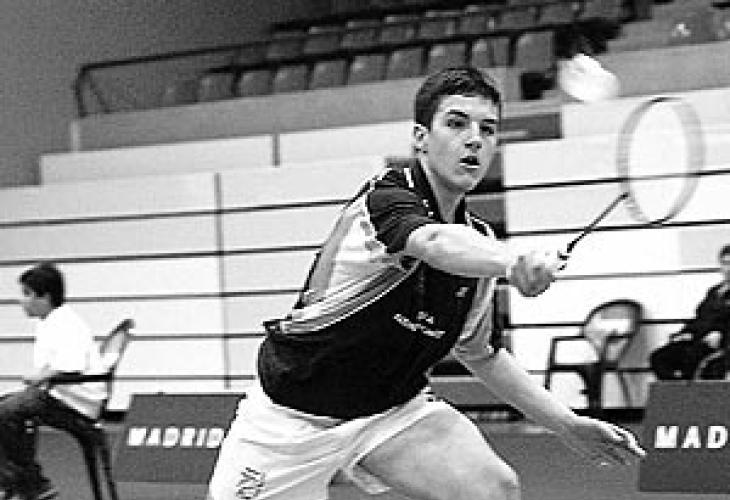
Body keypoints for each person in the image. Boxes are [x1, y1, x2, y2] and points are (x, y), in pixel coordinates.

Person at [208, 66, 645, 500]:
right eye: (456, 123)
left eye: (488, 129)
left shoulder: (479, 241)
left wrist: (566, 423)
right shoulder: (385, 199)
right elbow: (433, 242)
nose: (474, 139)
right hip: (293, 416)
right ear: (420, 138)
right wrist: (513, 263)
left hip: (389, 411)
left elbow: (482, 353)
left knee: (492, 490)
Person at [0, 263, 106, 500]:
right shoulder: (47, 322)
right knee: (5, 409)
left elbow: (72, 365)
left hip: (75, 402)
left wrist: (41, 376)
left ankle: (31, 484)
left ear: (45, 297)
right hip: (59, 395)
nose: (21, 301)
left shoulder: (67, 324)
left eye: (27, 294)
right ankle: (18, 482)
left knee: (6, 412)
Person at [650, 244, 730, 380]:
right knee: (659, 357)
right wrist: (686, 332)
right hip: (699, 339)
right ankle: (677, 389)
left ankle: (688, 389)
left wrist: (721, 334)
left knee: (693, 359)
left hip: (720, 343)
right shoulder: (713, 292)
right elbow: (700, 318)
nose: (728, 269)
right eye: (725, 263)